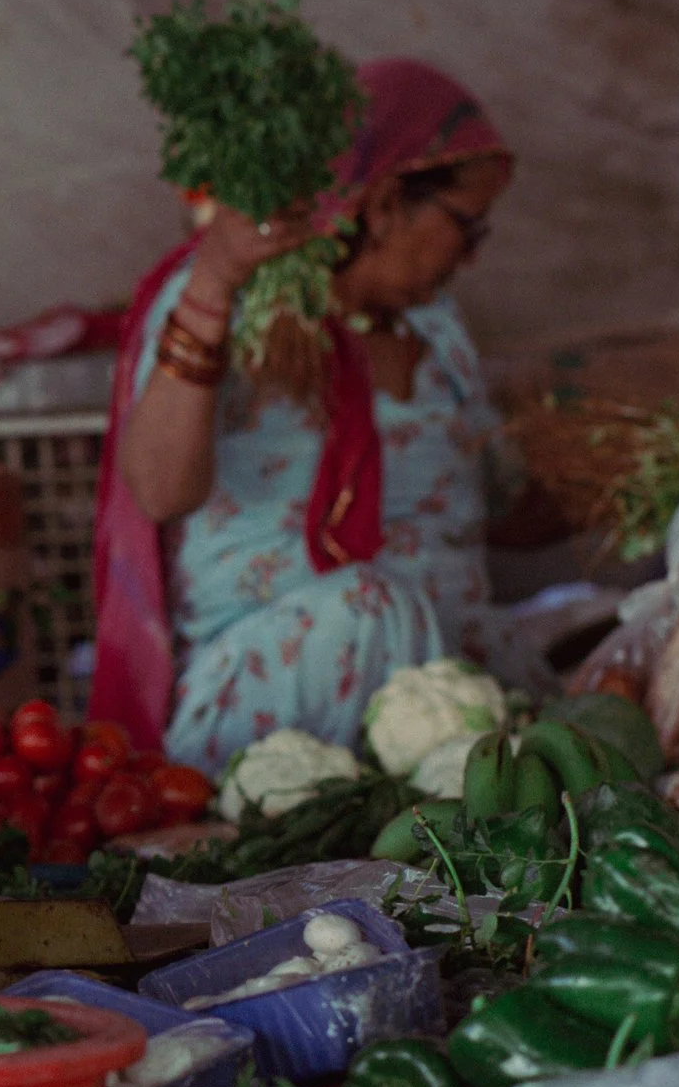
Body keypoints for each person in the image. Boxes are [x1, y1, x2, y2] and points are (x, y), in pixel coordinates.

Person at [91, 59, 528, 773]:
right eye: (467, 226)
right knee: (371, 606)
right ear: (386, 203)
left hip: (446, 690)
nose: (471, 258)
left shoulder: (440, 327)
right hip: (282, 705)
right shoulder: (238, 303)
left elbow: (486, 512)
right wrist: (215, 279)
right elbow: (161, 492)